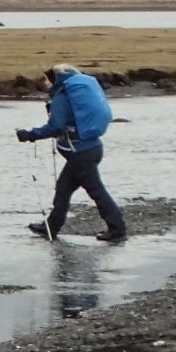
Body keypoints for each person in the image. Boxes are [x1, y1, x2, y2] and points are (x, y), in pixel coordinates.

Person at [17, 64, 126, 242]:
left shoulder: (62, 97)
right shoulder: (72, 94)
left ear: (56, 79)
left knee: (96, 192)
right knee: (63, 189)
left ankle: (117, 230)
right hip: (90, 148)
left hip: (80, 153)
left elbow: (56, 127)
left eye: (47, 79)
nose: (45, 83)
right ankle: (51, 227)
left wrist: (30, 135)